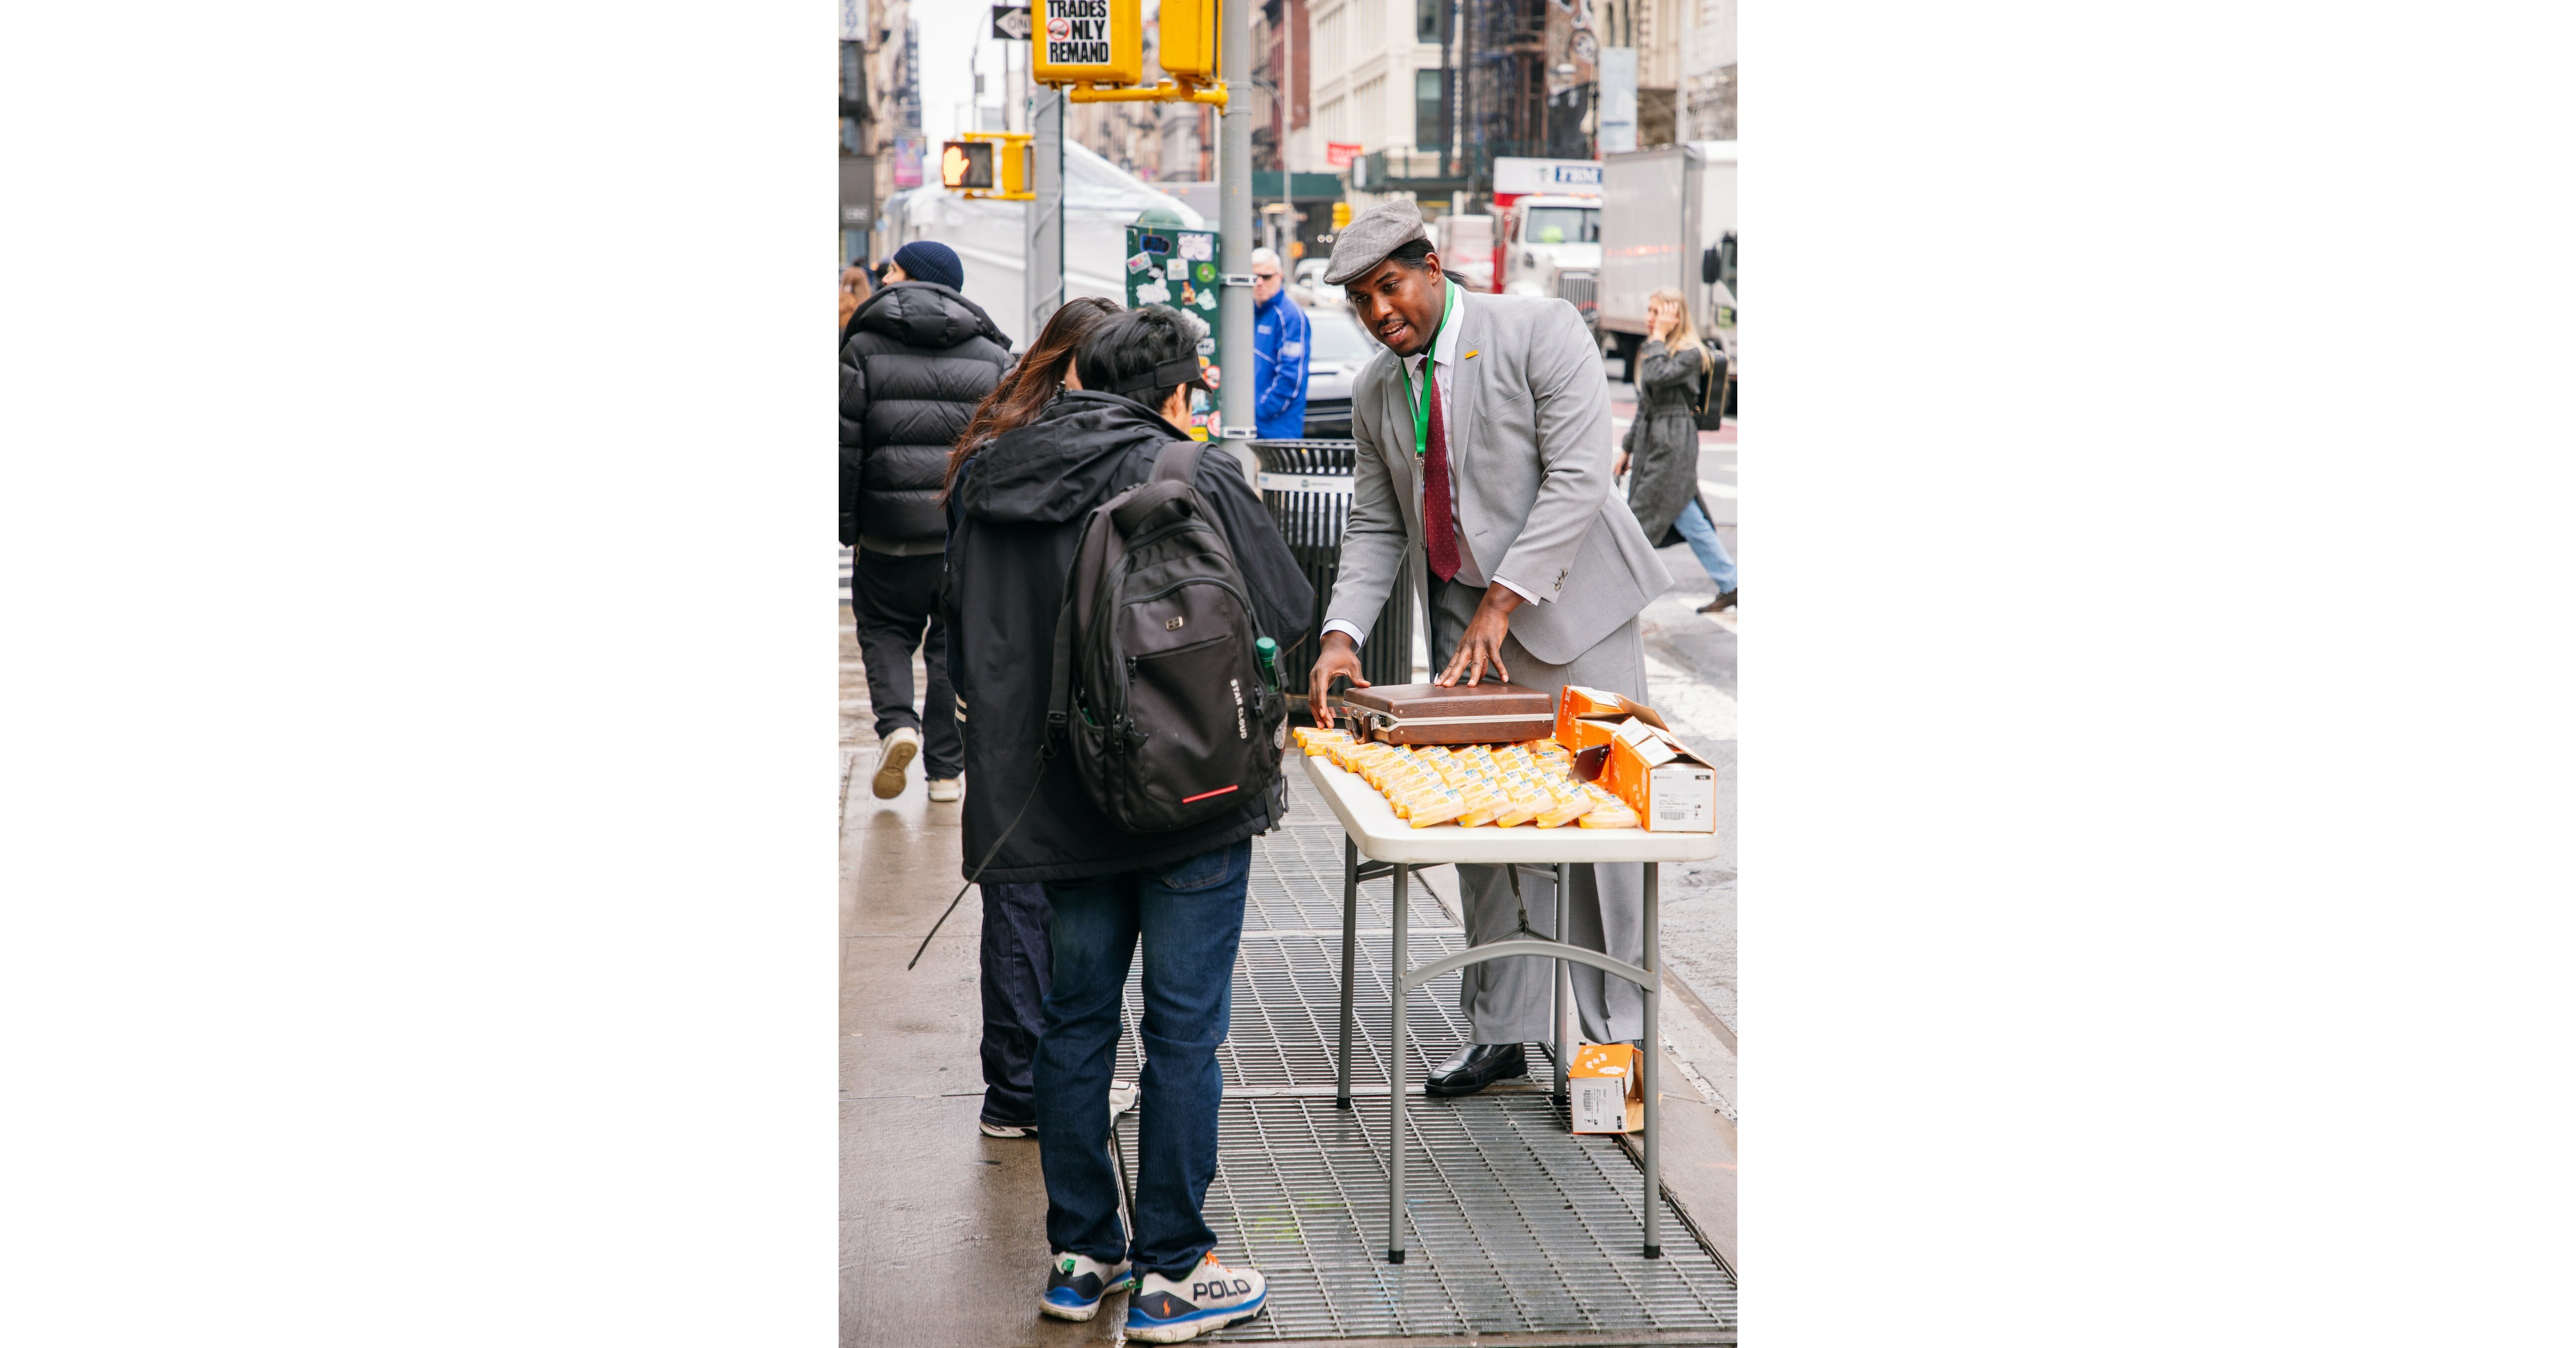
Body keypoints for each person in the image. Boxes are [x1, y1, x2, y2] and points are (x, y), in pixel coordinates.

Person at [943, 304, 1311, 1342]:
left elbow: (963, 636)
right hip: (1185, 794)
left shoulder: (989, 474)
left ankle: (1080, 1256)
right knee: (1183, 1031)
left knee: (1074, 1019)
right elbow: (1281, 610)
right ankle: (1173, 1269)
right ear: (1178, 390)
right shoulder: (1191, 474)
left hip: (1050, 801)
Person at [1307, 199, 1673, 1098]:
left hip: (1570, 616)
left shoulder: (1538, 329)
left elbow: (1581, 473)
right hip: (1470, 628)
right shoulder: (1372, 390)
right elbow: (1376, 521)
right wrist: (1339, 634)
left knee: (1598, 837)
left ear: (1432, 268)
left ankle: (1609, 1052)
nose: (1377, 312)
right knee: (1490, 838)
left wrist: (1501, 601)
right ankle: (1503, 1032)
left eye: (1388, 287)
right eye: (1359, 301)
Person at [937, 294, 1123, 1143]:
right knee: (1072, 878)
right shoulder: (1095, 453)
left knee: (1016, 880)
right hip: (1072, 686)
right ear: (1079, 364)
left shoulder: (989, 446)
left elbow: (958, 577)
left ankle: (1015, 1083)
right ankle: (1038, 1082)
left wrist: (968, 679)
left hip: (999, 686)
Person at [840, 239, 1010, 802]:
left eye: (892, 269)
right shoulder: (990, 355)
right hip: (959, 536)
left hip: (886, 531)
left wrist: (847, 525)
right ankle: (944, 770)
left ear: (914, 278)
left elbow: (844, 445)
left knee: (885, 630)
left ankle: (897, 725)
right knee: (947, 646)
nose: (884, 278)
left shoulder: (861, 346)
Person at [1614, 287, 1737, 613]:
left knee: (1638, 520)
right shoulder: (1657, 349)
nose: (1649, 319)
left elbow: (1656, 375)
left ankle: (1618, 597)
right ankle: (1731, 582)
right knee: (1687, 516)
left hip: (1672, 444)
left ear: (1675, 317)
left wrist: (1656, 338)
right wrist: (1626, 450)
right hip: (1656, 440)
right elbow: (1645, 402)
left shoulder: (1690, 353)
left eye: (1657, 313)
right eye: (1650, 312)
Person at [1248, 247, 1309, 440]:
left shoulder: (1291, 316)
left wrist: (1260, 412)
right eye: (1253, 276)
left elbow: (1291, 377)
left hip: (1277, 430)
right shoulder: (1244, 310)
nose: (1259, 282)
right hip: (1248, 425)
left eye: (1266, 277)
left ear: (1280, 277)